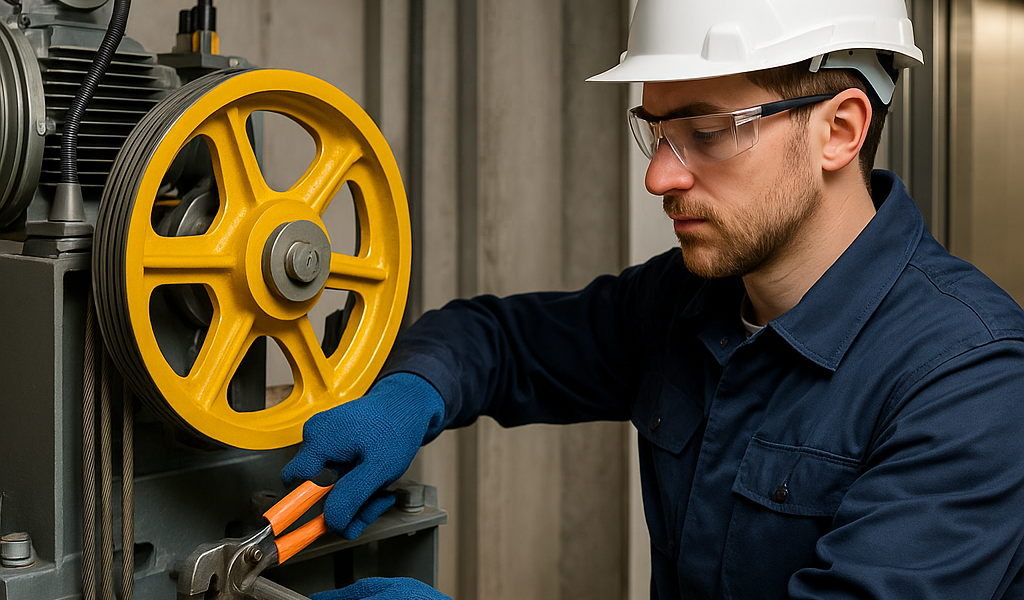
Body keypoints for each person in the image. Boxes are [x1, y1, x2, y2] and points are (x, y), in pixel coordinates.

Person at [284, 1, 1024, 598]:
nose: (660, 179)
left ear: (840, 130)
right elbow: (501, 341)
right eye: (658, 134)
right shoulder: (689, 301)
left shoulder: (972, 384)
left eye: (705, 131)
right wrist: (412, 395)